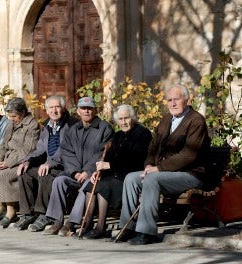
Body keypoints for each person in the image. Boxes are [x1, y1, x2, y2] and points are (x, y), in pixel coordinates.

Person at [117, 85, 210, 245]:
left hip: (191, 174)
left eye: (177, 99)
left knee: (153, 180)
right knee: (131, 178)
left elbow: (189, 155)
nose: (172, 103)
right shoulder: (166, 119)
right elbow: (153, 147)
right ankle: (128, 227)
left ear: (187, 100)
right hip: (166, 173)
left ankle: (147, 232)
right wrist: (148, 165)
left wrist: (158, 169)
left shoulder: (196, 121)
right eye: (169, 100)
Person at [42, 96, 114, 235]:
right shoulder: (73, 129)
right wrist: (75, 172)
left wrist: (87, 171)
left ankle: (71, 223)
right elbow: (67, 152)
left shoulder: (104, 128)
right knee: (59, 181)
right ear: (78, 111)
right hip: (75, 173)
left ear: (96, 110)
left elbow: (102, 154)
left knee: (86, 186)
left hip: (93, 174)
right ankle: (57, 221)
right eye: (83, 108)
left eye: (89, 108)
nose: (86, 111)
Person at [81, 105, 152, 239]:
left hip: (131, 175)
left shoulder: (143, 134)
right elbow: (110, 158)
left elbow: (136, 160)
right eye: (121, 119)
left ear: (133, 118)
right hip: (115, 174)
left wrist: (109, 165)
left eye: (127, 118)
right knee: (91, 185)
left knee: (105, 187)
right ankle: (87, 224)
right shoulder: (118, 135)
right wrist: (99, 172)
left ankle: (101, 226)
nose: (124, 122)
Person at [15, 96, 78, 231]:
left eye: (57, 107)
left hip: (67, 166)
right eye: (51, 107)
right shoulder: (47, 125)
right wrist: (28, 161)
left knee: (45, 173)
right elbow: (40, 148)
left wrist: (50, 163)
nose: (54, 111)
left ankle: (44, 214)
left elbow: (66, 149)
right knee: (24, 172)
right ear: (46, 110)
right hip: (51, 164)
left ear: (63, 108)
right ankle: (28, 213)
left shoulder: (72, 125)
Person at [0, 97, 40, 228]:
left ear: (22, 113)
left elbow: (27, 150)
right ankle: (0, 208)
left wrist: (8, 163)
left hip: (21, 162)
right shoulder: (11, 124)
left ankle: (11, 212)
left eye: (14, 116)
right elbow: (3, 144)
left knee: (3, 175)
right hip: (7, 159)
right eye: (10, 116)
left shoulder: (32, 125)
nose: (11, 119)